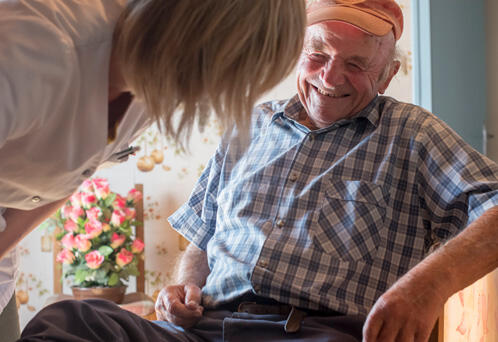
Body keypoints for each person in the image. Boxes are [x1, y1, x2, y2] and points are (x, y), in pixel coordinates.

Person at [17, 0, 498, 341]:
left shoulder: (410, 133)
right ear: (298, 52)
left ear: (388, 74)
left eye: (356, 64)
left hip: (317, 333)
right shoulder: (249, 124)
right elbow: (201, 238)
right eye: (319, 54)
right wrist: (186, 285)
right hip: (204, 331)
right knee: (70, 321)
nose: (330, 78)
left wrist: (427, 286)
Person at [0, 0, 306, 340]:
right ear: (192, 38)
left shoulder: (151, 83)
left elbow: (72, 174)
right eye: (225, 74)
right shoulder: (28, 50)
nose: (213, 94)